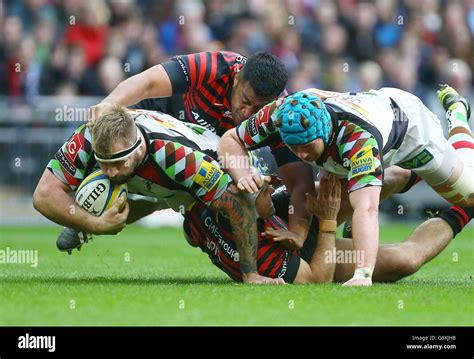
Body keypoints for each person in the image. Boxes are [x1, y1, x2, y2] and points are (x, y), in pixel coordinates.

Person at [217, 84, 473, 286]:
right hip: (367, 119)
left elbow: (367, 209)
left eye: (307, 147)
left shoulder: (357, 140)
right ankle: (457, 207)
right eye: (294, 147)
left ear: (323, 131)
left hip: (411, 133)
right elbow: (231, 138)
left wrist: (363, 273)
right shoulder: (281, 114)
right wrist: (243, 176)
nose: (302, 155)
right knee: (402, 260)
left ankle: (458, 115)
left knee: (469, 194)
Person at [88, 51, 316, 250]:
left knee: (237, 195)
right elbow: (148, 81)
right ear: (236, 79)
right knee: (109, 148)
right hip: (167, 118)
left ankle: (182, 212)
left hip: (208, 153)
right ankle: (84, 219)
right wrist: (110, 102)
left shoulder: (281, 114)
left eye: (258, 108)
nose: (247, 113)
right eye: (245, 100)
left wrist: (297, 232)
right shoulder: (215, 66)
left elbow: (300, 182)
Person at [33, 106, 284, 285]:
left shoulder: (176, 158)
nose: (109, 172)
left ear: (138, 148)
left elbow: (238, 205)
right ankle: (87, 222)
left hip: (212, 172)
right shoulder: (89, 135)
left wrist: (251, 275)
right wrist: (92, 222)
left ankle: (192, 224)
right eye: (102, 163)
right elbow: (43, 195)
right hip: (158, 177)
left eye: (118, 162)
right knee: (137, 194)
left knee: (253, 209)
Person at [184, 173, 473, 284]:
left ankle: (454, 167)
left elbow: (190, 231)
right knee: (404, 261)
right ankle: (469, 204)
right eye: (261, 190)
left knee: (388, 177)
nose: (269, 185)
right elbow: (318, 279)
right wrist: (328, 221)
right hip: (312, 254)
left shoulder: (200, 215)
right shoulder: (263, 262)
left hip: (290, 217)